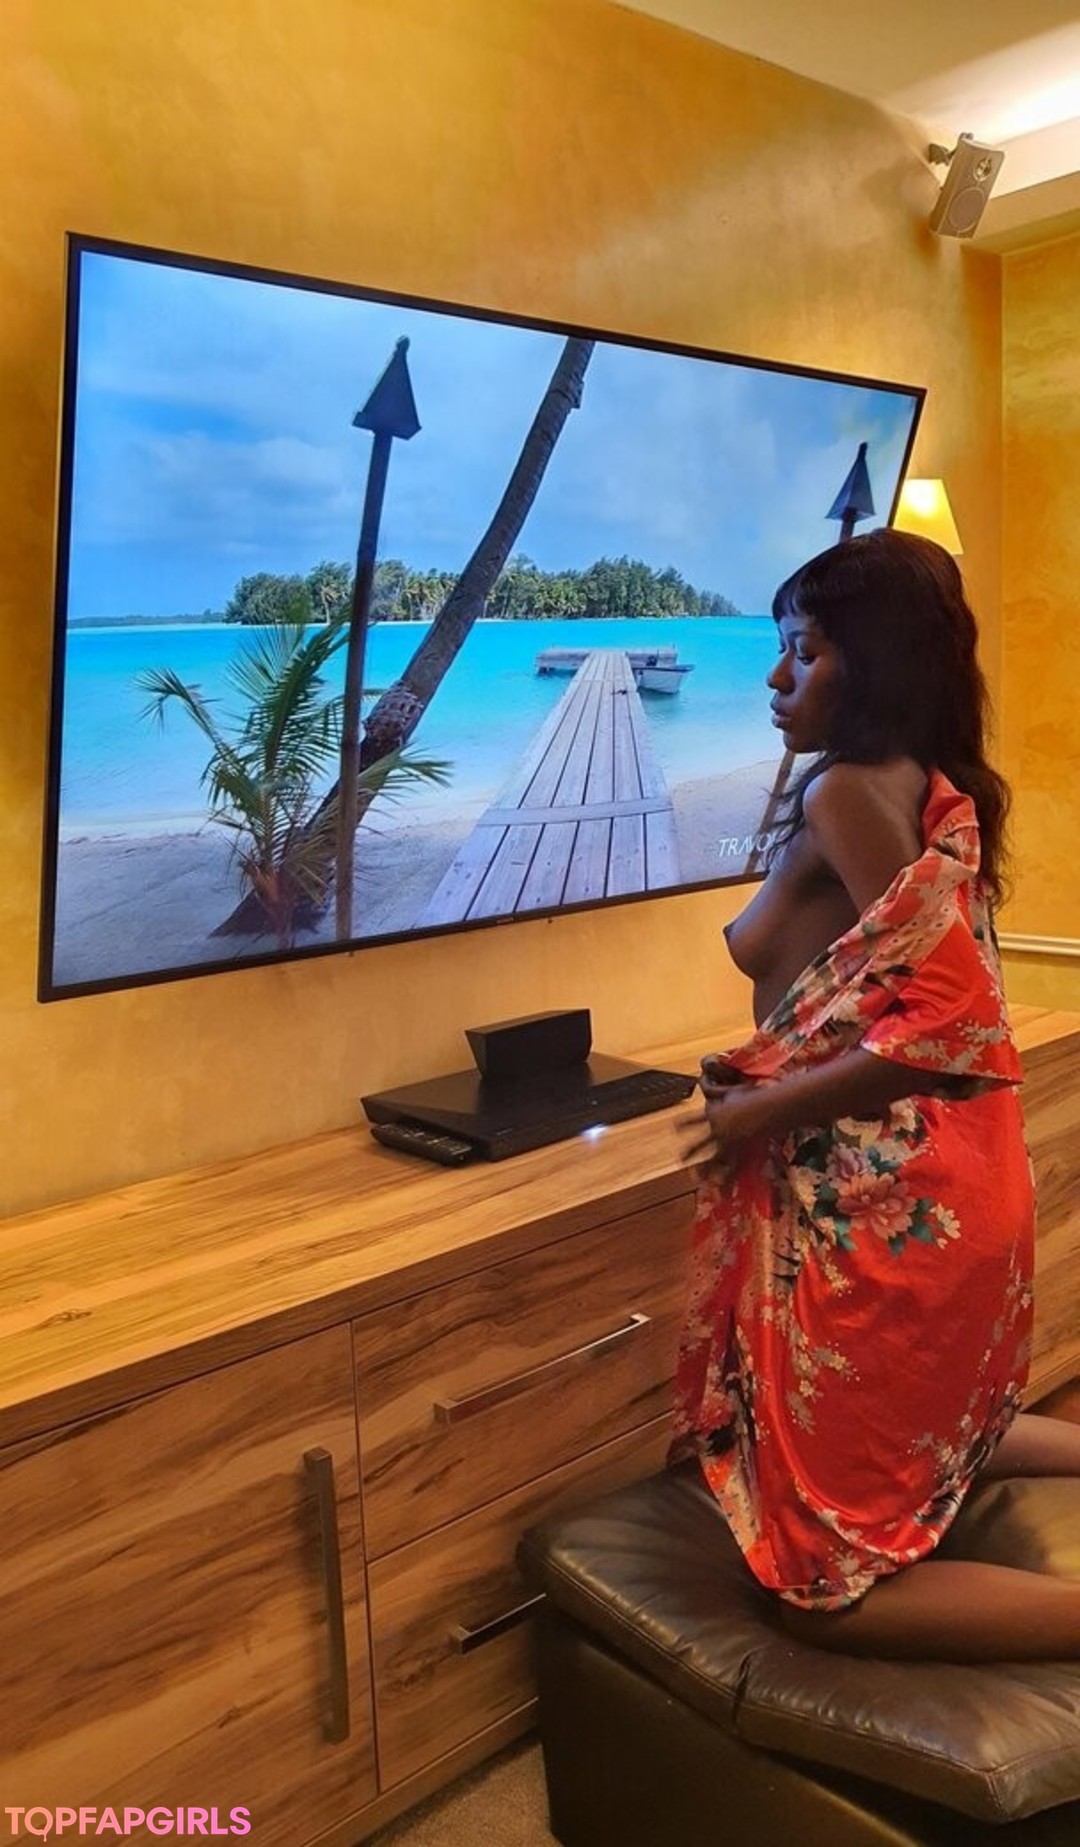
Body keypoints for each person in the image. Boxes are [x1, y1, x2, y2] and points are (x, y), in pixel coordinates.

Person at [672, 526, 1080, 1662]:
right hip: (960, 1175)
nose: (775, 677)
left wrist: (752, 1112)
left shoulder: (845, 792)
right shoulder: (931, 782)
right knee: (947, 1434)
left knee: (825, 1588)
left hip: (890, 1199)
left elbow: (952, 1024)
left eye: (803, 650)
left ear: (875, 660)